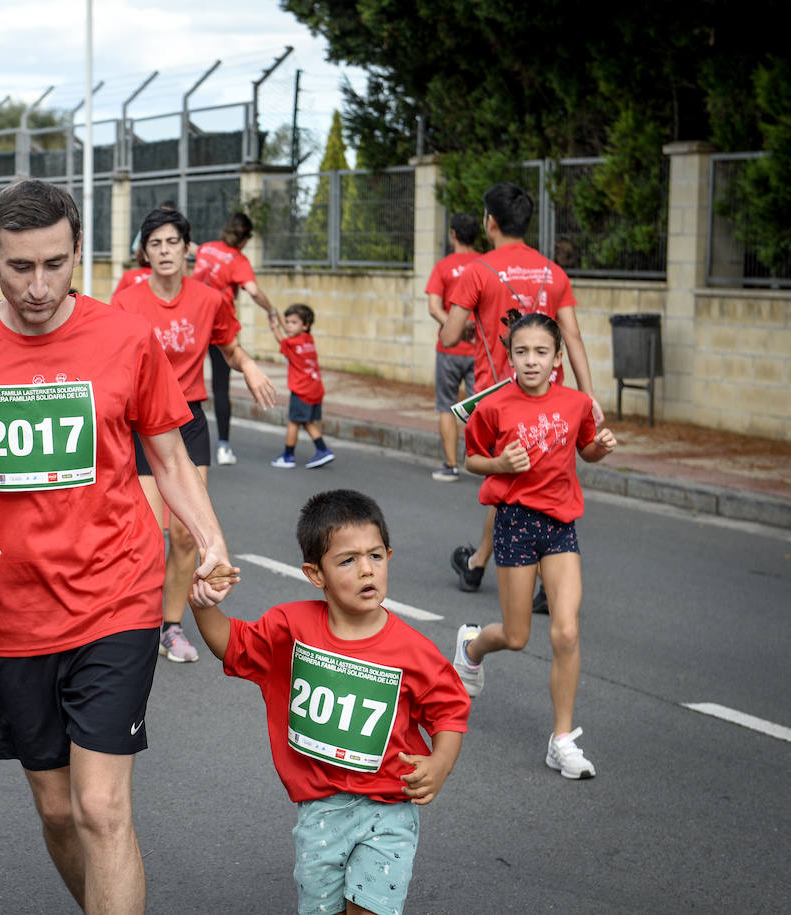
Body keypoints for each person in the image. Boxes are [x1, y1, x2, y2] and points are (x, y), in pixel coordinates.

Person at [0, 179, 238, 914]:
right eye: (21, 267)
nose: (40, 285)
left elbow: (171, 458)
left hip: (116, 596)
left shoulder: (124, 337)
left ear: (78, 251)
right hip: (10, 615)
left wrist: (210, 539)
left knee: (101, 808)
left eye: (56, 263)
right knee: (57, 812)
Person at [189, 489, 470, 915]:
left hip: (389, 807)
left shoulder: (413, 650)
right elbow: (235, 646)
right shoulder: (291, 627)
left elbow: (449, 709)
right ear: (314, 573)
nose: (365, 570)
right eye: (347, 560)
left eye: (375, 556)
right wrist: (204, 606)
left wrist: (441, 762)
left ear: (389, 557)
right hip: (320, 809)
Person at [452, 313, 616, 779]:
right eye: (521, 351)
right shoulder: (493, 406)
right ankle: (472, 647)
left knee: (566, 631)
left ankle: (561, 740)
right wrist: (500, 462)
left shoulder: (576, 403)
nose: (531, 360)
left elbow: (585, 449)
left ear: (557, 359)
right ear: (511, 356)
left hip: (560, 525)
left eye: (541, 352)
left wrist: (601, 447)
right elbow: (472, 460)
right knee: (517, 636)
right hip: (515, 522)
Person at [112, 206, 277, 664]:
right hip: (141, 426)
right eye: (155, 243)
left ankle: (171, 627)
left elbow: (229, 344)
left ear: (188, 248)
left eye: (172, 242)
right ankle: (133, 623)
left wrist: (248, 366)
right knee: (146, 532)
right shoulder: (127, 300)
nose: (164, 251)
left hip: (188, 422)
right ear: (144, 252)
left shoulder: (208, 299)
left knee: (185, 534)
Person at [439, 182, 602, 603]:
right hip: (554, 398)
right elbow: (574, 336)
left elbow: (451, 333)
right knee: (546, 481)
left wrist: (472, 323)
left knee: (509, 481)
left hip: (500, 397)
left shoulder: (478, 270)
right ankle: (531, 574)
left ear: (490, 222)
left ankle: (479, 565)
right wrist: (588, 397)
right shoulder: (554, 272)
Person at [193, 211, 280, 465]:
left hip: (193, 320)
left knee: (184, 381)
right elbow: (253, 290)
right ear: (244, 239)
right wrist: (272, 310)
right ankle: (223, 447)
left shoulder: (207, 248)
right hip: (220, 324)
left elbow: (194, 252)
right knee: (221, 387)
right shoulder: (238, 260)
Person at [426, 214, 480, 482]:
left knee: (447, 406)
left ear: (453, 235)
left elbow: (434, 307)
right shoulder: (486, 264)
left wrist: (454, 327)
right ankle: (485, 466)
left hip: (448, 349)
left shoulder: (443, 267)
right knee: (479, 409)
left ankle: (451, 466)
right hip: (480, 351)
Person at [267, 302, 335, 469]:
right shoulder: (308, 339)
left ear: (305, 325)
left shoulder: (291, 344)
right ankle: (322, 450)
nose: (289, 326)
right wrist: (283, 321)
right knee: (307, 422)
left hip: (301, 390)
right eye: (288, 322)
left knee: (293, 422)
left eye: (293, 322)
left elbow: (281, 340)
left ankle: (288, 456)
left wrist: (275, 327)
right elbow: (291, 334)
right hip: (315, 389)